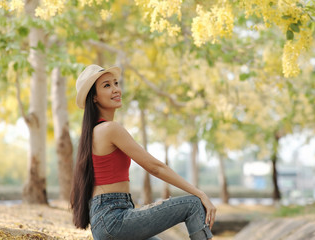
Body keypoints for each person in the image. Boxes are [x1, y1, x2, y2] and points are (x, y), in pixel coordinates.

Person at [70, 64, 216, 240]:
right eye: (107, 85)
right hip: (114, 220)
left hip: (110, 219)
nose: (116, 89)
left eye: (116, 83)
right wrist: (200, 194)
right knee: (193, 204)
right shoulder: (109, 129)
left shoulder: (94, 131)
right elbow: (155, 167)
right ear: (94, 97)